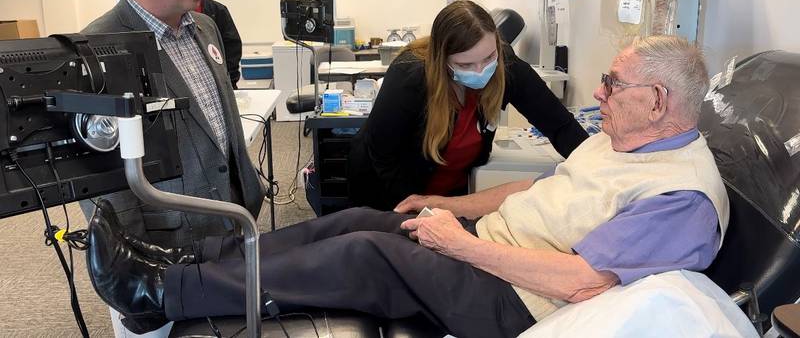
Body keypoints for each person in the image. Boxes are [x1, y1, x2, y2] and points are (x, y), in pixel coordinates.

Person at [87, 35, 729, 337]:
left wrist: (461, 244)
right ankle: (187, 261)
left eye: (614, 85)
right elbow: (530, 193)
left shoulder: (680, 198)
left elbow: (580, 281)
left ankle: (158, 291)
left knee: (366, 253)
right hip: (497, 250)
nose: (599, 93)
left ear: (659, 99)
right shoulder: (616, 140)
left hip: (518, 301)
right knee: (355, 221)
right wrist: (446, 206)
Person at [79, 0, 263, 248]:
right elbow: (100, 176)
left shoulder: (205, 27)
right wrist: (133, 255)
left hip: (235, 215)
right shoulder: (98, 49)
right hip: (172, 239)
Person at [348, 0, 588, 210]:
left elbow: (560, 125)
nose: (481, 71)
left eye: (488, 58)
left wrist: (600, 168)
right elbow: (383, 155)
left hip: (450, 193)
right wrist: (417, 209)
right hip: (386, 189)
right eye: (465, 65)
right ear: (442, 59)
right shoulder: (409, 76)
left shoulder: (506, 66)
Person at [196, 0, 243, 87]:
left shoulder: (216, 10)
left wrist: (229, 80)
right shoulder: (170, 13)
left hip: (222, 80)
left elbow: (232, 46)